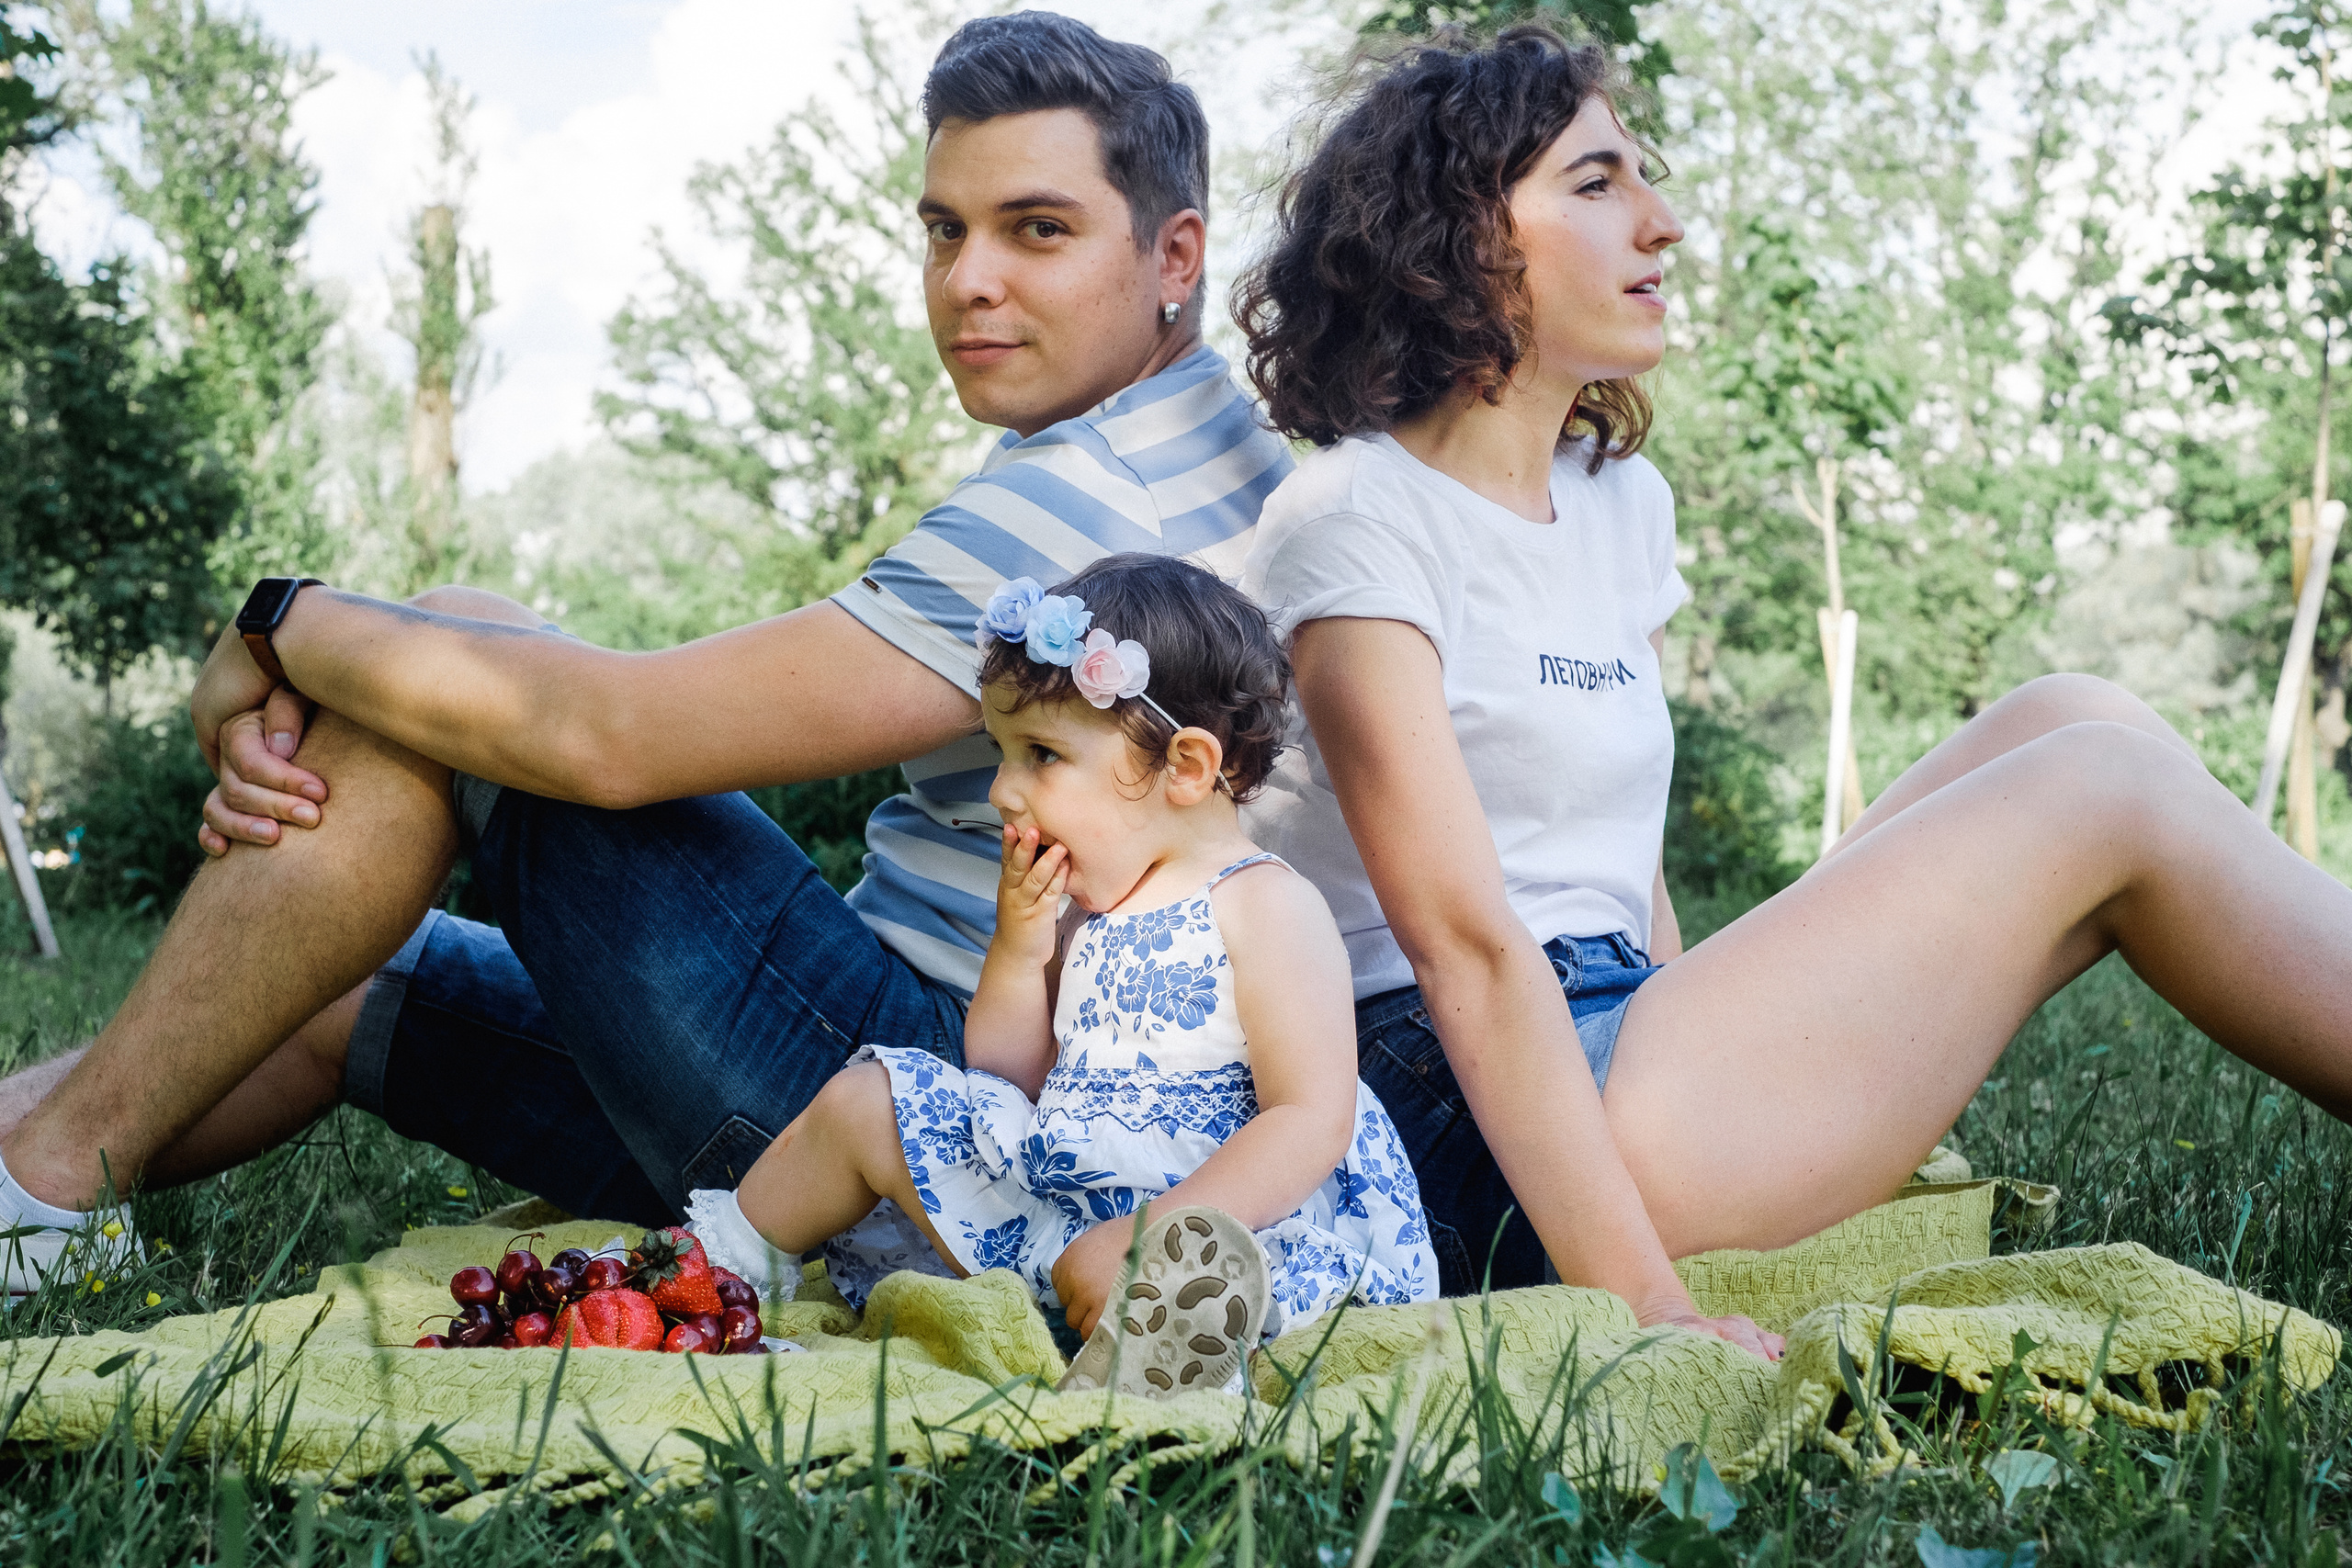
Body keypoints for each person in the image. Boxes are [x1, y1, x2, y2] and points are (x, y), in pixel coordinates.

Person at [0, 12, 1295, 1314]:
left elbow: (604, 739)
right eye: (944, 229)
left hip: (939, 1127)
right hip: (941, 1098)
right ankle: (22, 1171)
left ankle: (47, 1190)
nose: (968, 280)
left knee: (444, 706)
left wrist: (279, 621)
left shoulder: (1081, 502)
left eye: (1038, 229)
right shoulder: (1213, 446)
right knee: (337, 955)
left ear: (1174, 250)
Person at [1233, 23, 2352, 1360]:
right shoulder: (1354, 516)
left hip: (1613, 1043)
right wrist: (1648, 1302)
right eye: (1597, 184)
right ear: (1453, 239)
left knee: (2075, 713)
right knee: (2100, 792)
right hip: (1462, 1128)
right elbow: (1467, 952)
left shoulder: (1613, 502)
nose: (1664, 223)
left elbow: (1612, 871)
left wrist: (1750, 1045)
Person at [684, 556, 1434, 1393]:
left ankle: (1157, 1372)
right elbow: (1009, 1081)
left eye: (1040, 754)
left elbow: (1309, 1116)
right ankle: (709, 1277)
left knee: (1207, 1277)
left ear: (1183, 767)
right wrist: (1019, 946)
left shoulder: (1263, 905)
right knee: (871, 1099)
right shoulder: (1086, 912)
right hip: (1064, 1212)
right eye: (1002, 753)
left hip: (1207, 1222)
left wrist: (1151, 1235)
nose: (1005, 790)